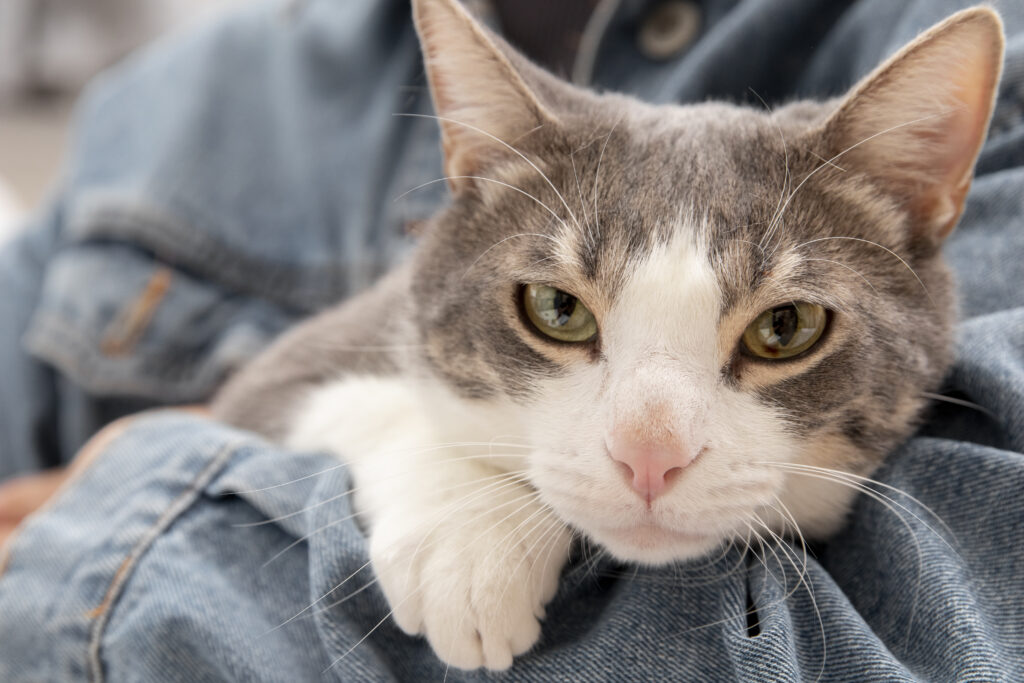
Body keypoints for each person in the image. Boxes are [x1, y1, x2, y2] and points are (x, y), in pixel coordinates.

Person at [1, 0, 1023, 679]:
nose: (652, 455)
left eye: (783, 326)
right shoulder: (181, 94)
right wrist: (431, 463)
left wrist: (112, 513)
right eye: (562, 311)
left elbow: (925, 635)